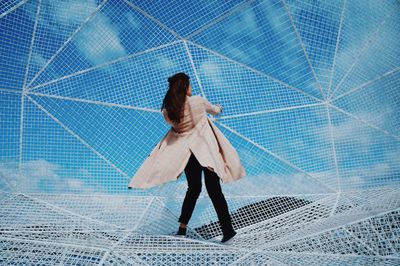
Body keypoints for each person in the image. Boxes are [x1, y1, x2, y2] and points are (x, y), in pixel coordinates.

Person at [162, 72, 237, 243]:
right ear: (184, 87)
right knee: (214, 190)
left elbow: (175, 127)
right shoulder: (198, 101)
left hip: (188, 153)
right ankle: (227, 230)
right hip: (206, 152)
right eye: (189, 84)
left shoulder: (168, 111)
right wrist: (218, 107)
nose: (191, 87)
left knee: (193, 189)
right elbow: (215, 111)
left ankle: (181, 229)